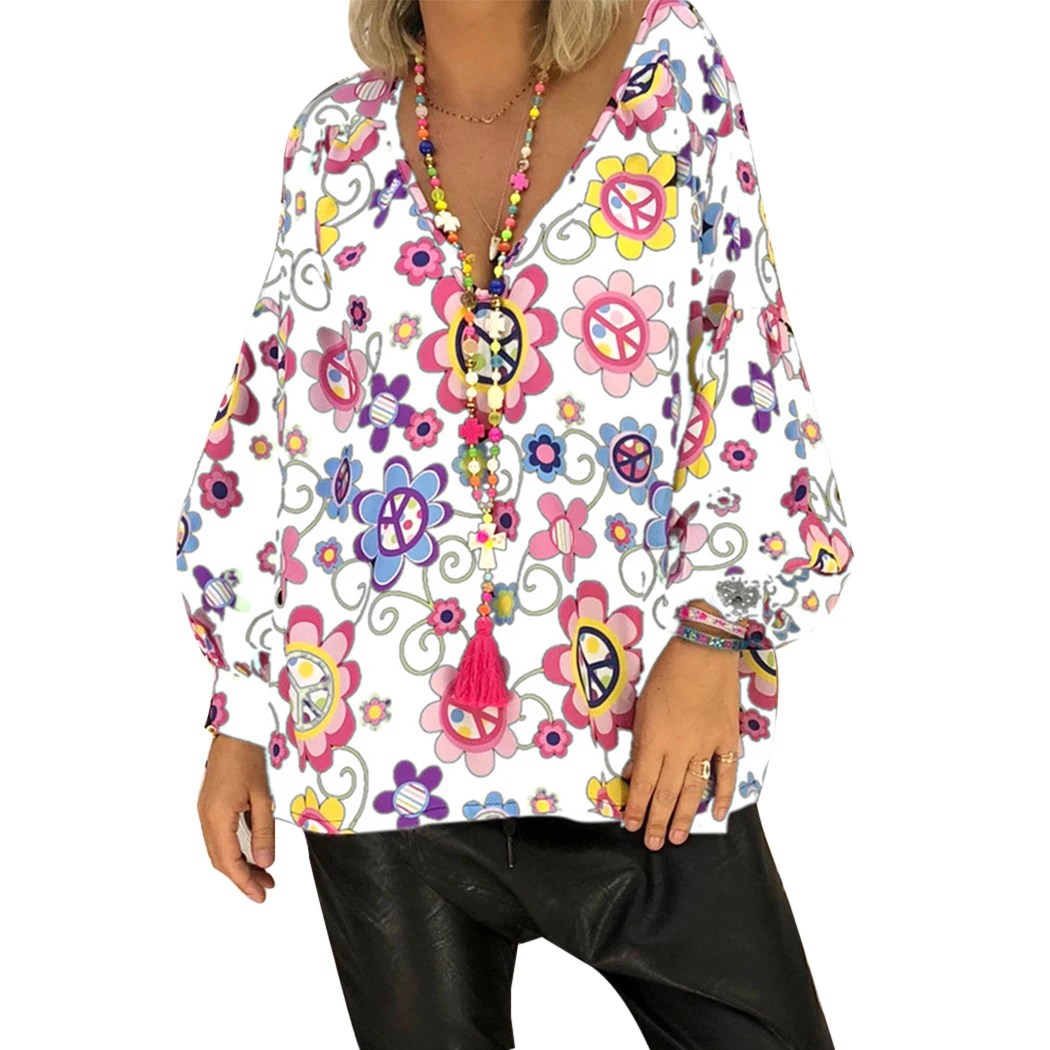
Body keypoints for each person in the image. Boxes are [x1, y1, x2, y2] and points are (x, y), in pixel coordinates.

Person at [175, 0, 856, 1046]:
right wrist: (241, 714)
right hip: (376, 758)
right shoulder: (334, 140)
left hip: (632, 752)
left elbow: (741, 349)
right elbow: (275, 425)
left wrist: (716, 629)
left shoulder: (667, 69)